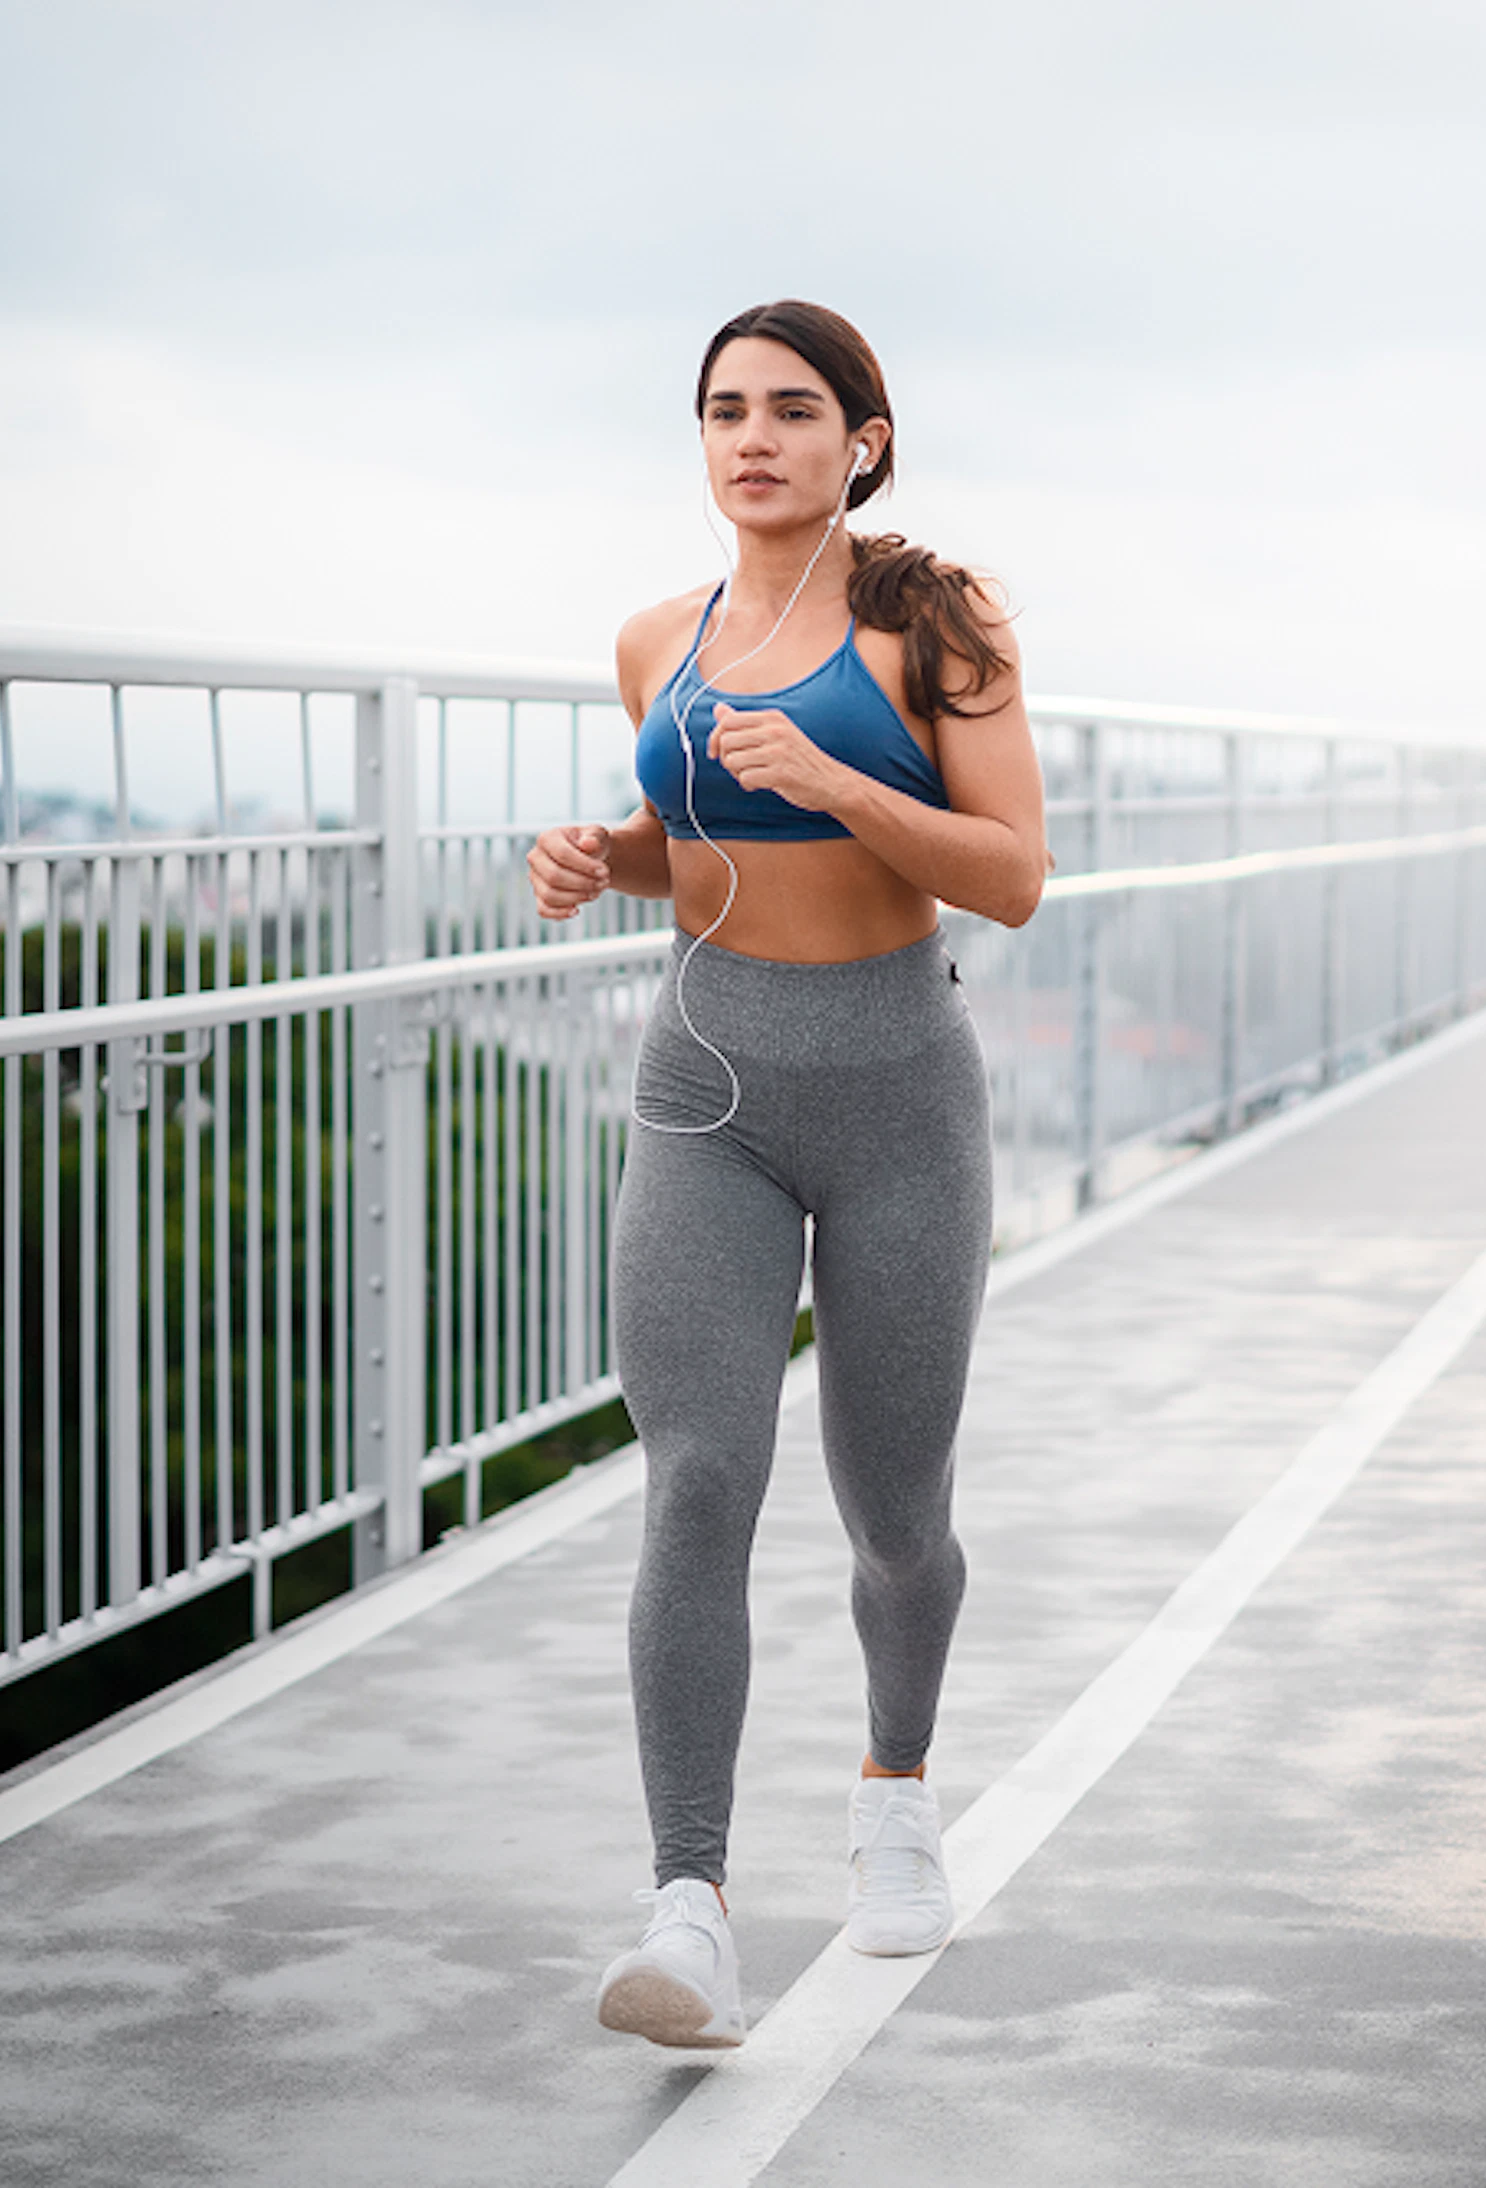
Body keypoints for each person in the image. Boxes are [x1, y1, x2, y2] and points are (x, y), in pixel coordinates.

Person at [526, 299, 1047, 2049]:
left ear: (862, 442)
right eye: (726, 411)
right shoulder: (652, 642)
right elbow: (694, 851)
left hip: (899, 1091)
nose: (755, 437)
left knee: (896, 1514)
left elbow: (1013, 873)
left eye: (794, 410)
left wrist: (833, 775)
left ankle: (896, 1794)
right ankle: (691, 1908)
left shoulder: (934, 622)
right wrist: (612, 856)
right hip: (708, 1087)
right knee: (696, 1480)